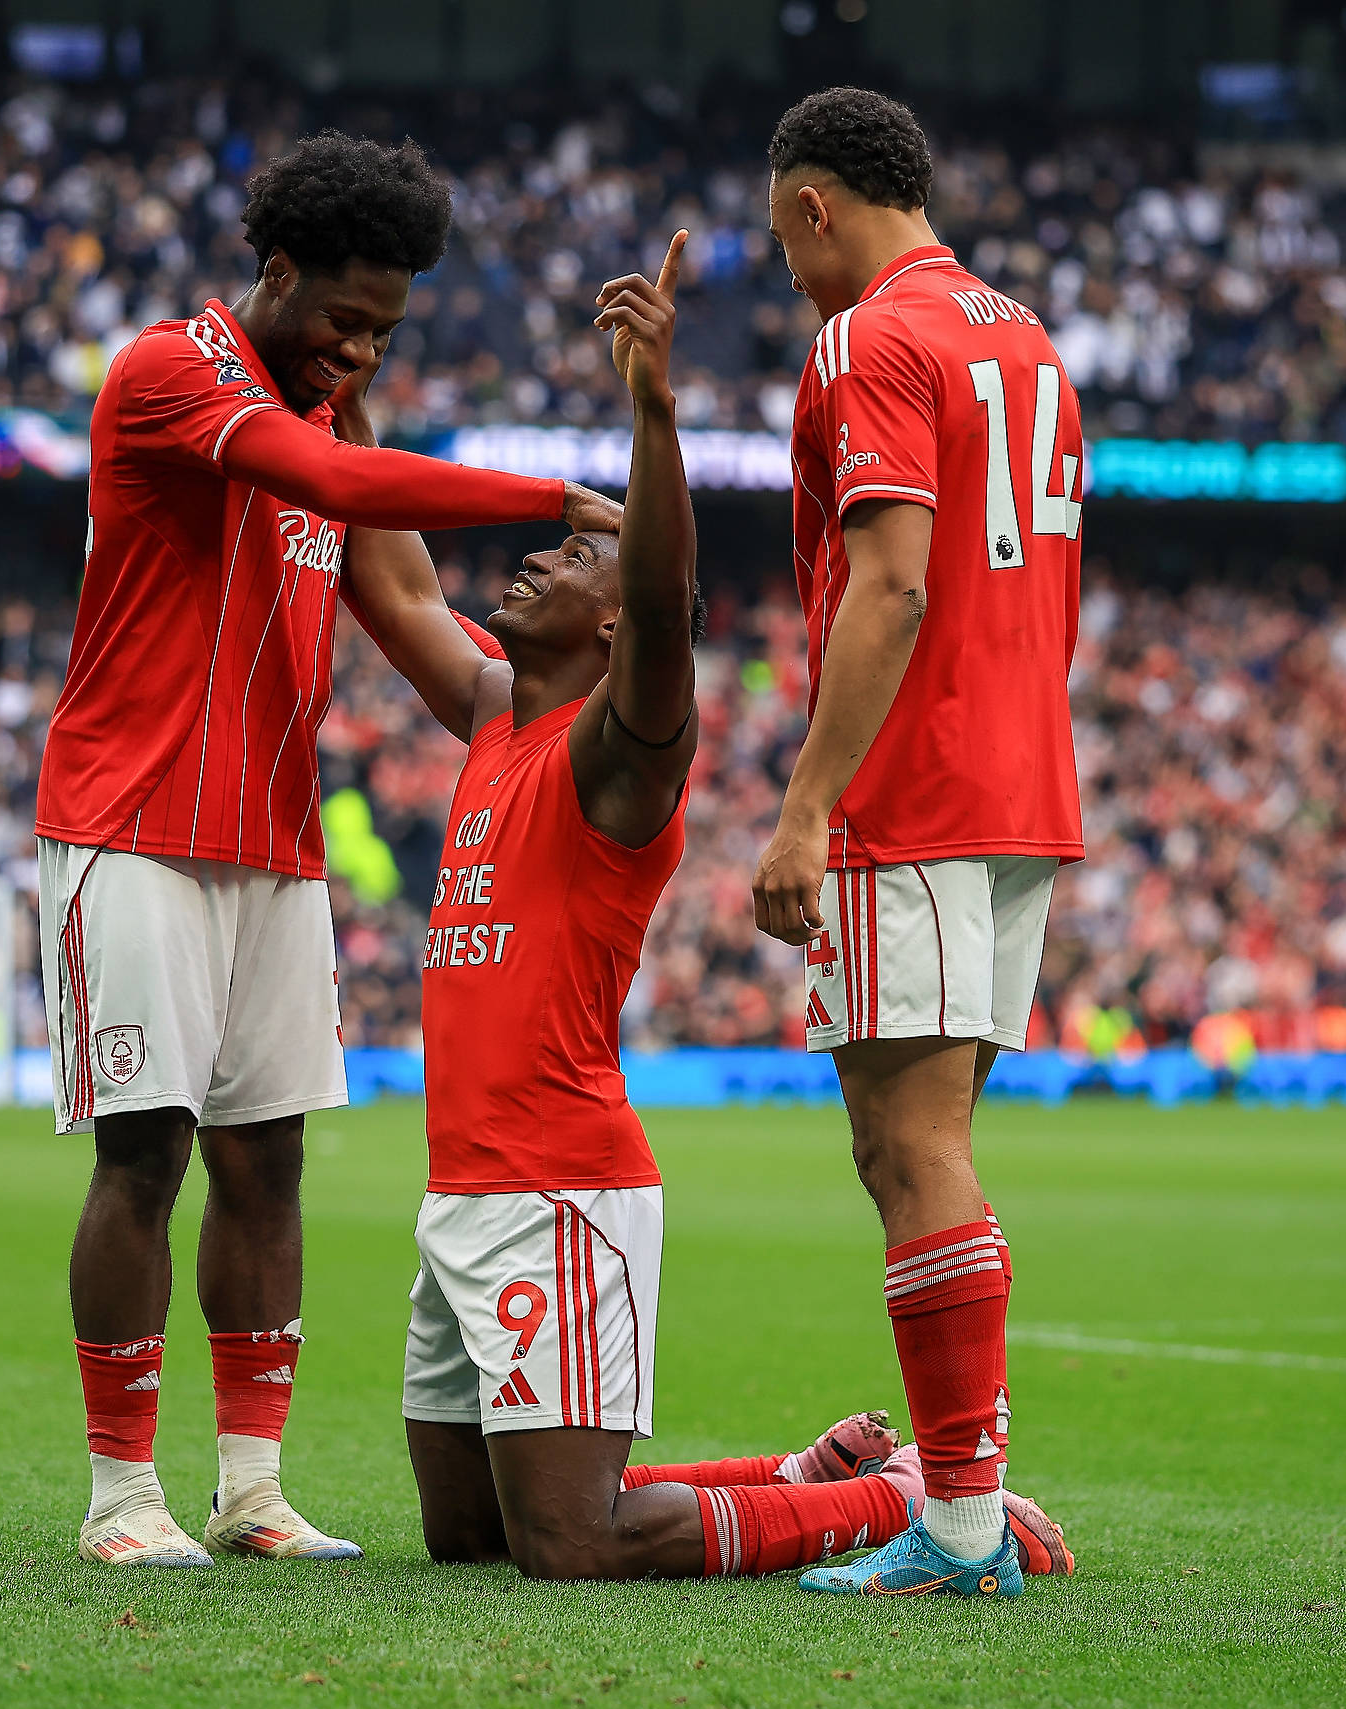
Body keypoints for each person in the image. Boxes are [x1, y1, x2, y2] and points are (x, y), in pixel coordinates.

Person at [341, 233, 1073, 1583]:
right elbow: (388, 577)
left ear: (618, 631)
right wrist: (338, 401)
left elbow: (667, 596)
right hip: (463, 1190)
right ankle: (812, 1477)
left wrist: (654, 416)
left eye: (572, 559)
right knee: (468, 1536)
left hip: (560, 1185)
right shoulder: (498, 715)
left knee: (572, 1545)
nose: (536, 561)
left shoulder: (623, 754)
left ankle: (894, 1506)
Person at [40, 131, 620, 1570]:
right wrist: (560, 498)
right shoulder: (176, 371)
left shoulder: (340, 421)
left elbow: (443, 651)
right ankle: (123, 1497)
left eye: (387, 330)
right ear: (275, 270)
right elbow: (340, 489)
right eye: (344, 318)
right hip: (132, 825)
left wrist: (616, 699)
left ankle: (251, 1491)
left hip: (276, 844)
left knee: (268, 1165)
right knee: (144, 1157)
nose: (360, 350)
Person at [748, 87, 1086, 1597]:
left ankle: (956, 1524)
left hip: (917, 782)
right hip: (1024, 782)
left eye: (784, 240)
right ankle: (966, 1499)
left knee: (911, 1147)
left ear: (816, 205)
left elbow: (893, 584)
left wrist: (809, 802)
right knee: (927, 1142)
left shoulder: (864, 339)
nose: (789, 274)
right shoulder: (1026, 340)